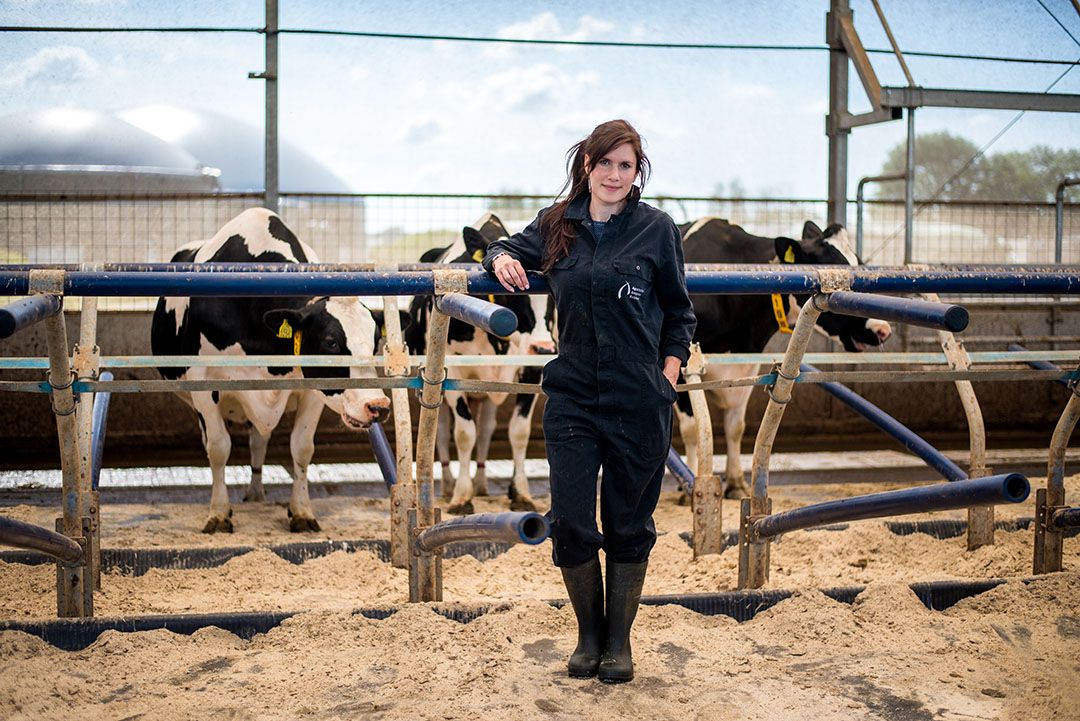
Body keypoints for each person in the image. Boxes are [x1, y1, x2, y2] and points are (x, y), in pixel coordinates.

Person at [482, 119, 695, 683]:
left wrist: (668, 375)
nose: (614, 175)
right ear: (586, 164)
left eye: (626, 165)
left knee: (629, 523)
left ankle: (619, 643)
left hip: (638, 398)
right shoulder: (557, 226)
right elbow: (502, 248)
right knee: (573, 521)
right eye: (605, 163)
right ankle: (588, 635)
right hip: (573, 394)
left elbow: (679, 312)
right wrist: (498, 259)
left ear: (636, 172)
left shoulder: (656, 229)